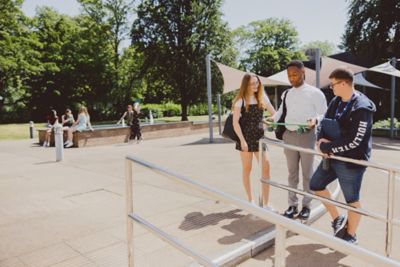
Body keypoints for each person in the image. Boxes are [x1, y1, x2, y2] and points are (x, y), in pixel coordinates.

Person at [310, 68, 376, 244]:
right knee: (316, 184)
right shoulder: (336, 101)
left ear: (344, 83)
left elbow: (355, 141)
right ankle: (337, 219)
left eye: (333, 85)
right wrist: (321, 142)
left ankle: (350, 235)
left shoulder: (362, 107)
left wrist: (327, 147)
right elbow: (325, 122)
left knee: (352, 200)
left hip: (351, 161)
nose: (331, 88)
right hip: (332, 157)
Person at [268, 60, 327, 220]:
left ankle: (306, 206)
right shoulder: (287, 93)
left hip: (308, 136)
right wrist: (272, 119)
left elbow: (324, 114)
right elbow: (281, 111)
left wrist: (315, 119)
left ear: (303, 73)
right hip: (289, 135)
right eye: (289, 75)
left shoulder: (316, 93)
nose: (291, 78)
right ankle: (292, 205)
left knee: (308, 174)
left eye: (294, 74)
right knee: (292, 173)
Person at [232, 73, 276, 210]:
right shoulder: (241, 100)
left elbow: (275, 114)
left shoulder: (262, 97)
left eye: (257, 83)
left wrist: (267, 123)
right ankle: (250, 200)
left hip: (260, 139)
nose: (255, 86)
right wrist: (242, 141)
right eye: (252, 83)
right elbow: (235, 123)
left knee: (266, 167)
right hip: (245, 139)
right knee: (247, 168)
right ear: (246, 85)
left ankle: (266, 203)